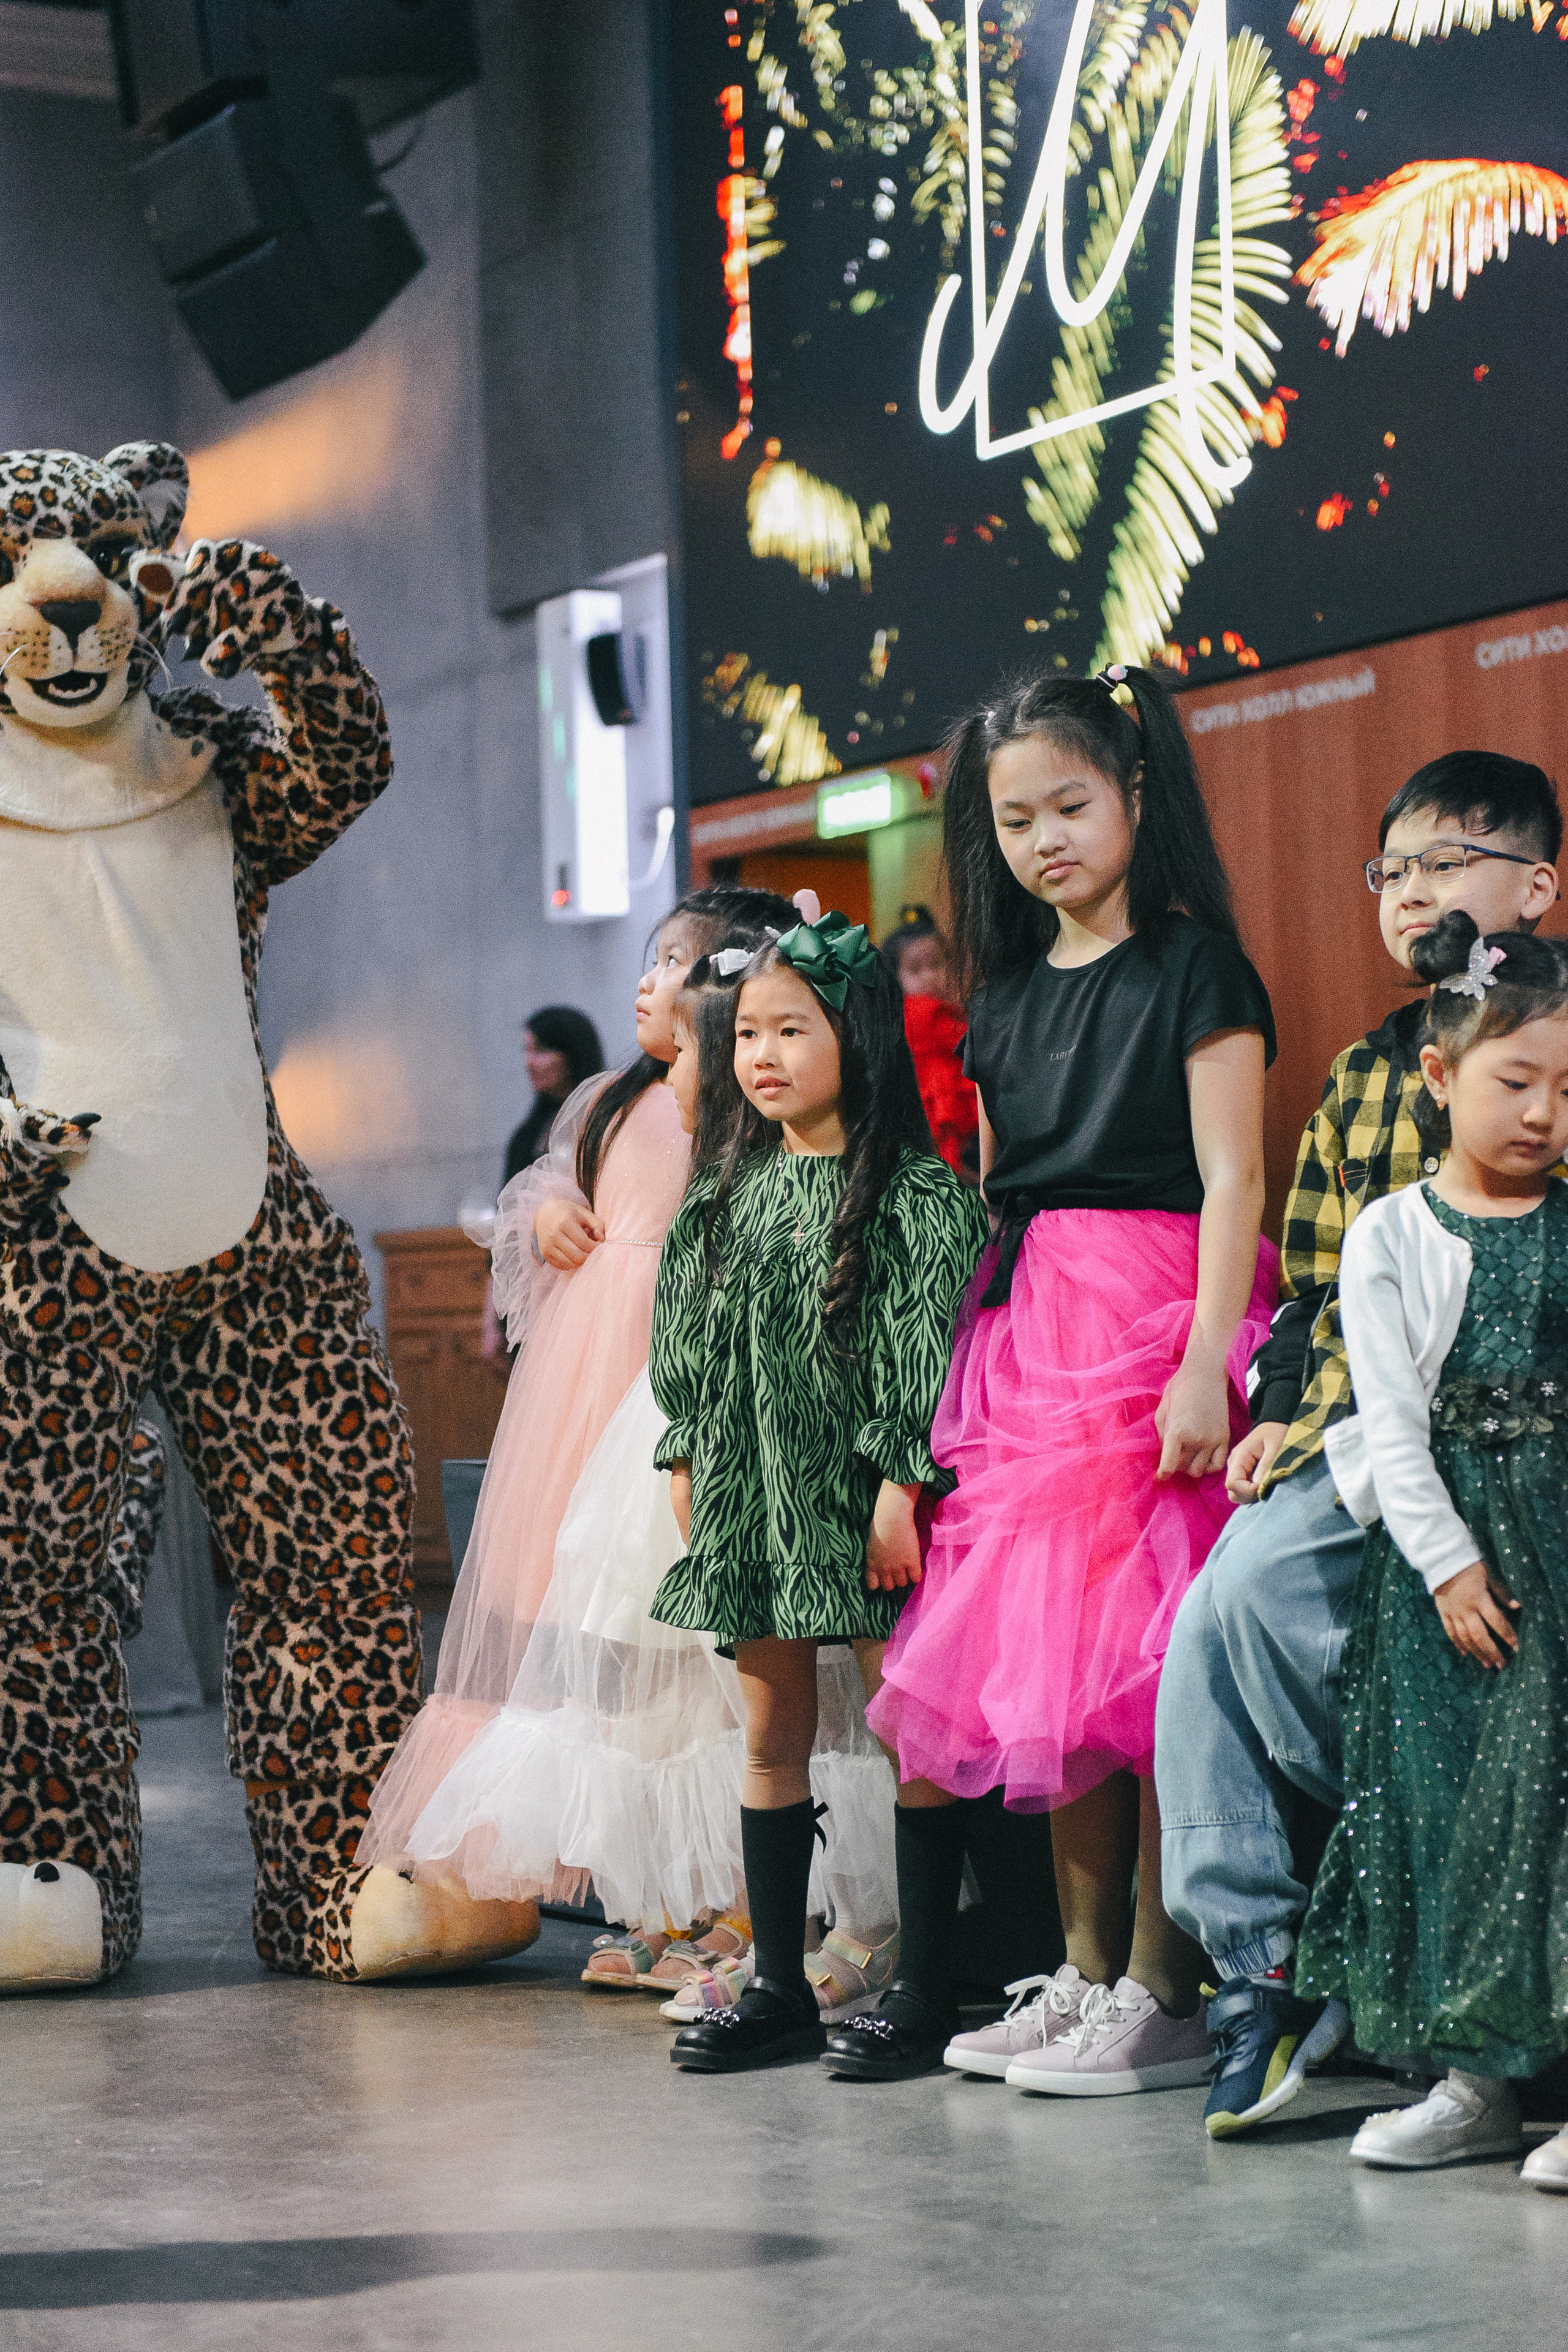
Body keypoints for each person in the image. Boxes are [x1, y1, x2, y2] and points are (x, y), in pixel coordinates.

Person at [851, 662, 1278, 2088]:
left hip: (1156, 1317)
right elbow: (992, 1196)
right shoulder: (1007, 998)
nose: (1044, 838)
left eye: (1070, 804)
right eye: (1015, 816)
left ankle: (1164, 1979)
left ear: (1134, 794)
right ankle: (1084, 1970)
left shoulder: (1195, 965)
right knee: (1052, 1671)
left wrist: (1209, 1360)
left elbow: (1232, 1174)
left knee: (1152, 1673)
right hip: (1030, 1336)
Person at [1156, 752, 1562, 2139]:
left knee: (1287, 1618)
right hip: (1359, 1428)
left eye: (1446, 861)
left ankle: (1402, 1921)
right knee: (1211, 1611)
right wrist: (1272, 1401)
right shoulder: (1356, 1081)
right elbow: (1311, 1287)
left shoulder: (1549, 1047)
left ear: (1533, 884)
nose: (1411, 892)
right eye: (1391, 870)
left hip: (1518, 1434)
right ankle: (1262, 1973)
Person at [356, 886, 797, 1891]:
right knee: (597, 1611)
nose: (647, 979)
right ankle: (641, 1888)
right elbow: (547, 1180)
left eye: (672, 962)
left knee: (695, 1636)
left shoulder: (745, 1097)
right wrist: (551, 1213)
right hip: (592, 1370)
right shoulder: (608, 1101)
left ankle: (720, 1888)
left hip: (679, 1360)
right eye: (645, 961)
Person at [651, 910, 987, 2072]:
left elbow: (920, 1346)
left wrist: (902, 1483)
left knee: (913, 1727)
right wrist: (690, 1460)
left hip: (871, 1500)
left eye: (792, 1028)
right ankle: (780, 1982)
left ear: (856, 1034)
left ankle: (933, 1985)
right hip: (755, 1491)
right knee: (770, 1726)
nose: (764, 1055)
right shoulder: (722, 1193)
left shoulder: (915, 1193)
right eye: (748, 1033)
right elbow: (687, 1346)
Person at [1294, 910, 1568, 2191]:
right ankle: (1476, 2084)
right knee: (1452, 1808)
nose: (1539, 1115)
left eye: (1565, 1089)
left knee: (1546, 1809)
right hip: (1453, 1568)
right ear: (1438, 1075)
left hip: (1556, 1547)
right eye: (1514, 1082)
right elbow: (1389, 1426)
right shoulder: (1389, 1236)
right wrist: (1447, 1563)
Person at [881, 903, 980, 1182]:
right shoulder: (918, 1010)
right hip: (936, 1092)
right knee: (944, 1146)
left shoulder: (944, 1006)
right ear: (896, 977)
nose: (929, 976)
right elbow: (963, 1039)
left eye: (937, 964)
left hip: (945, 1086)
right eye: (915, 970)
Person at [502, 1007, 604, 1185]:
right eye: (527, 1050)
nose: (529, 1063)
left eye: (541, 1050)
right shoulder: (527, 1136)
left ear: (573, 1053)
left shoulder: (605, 1120)